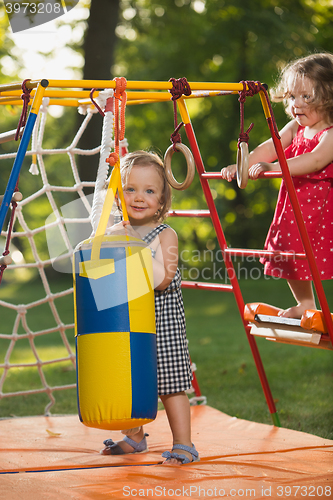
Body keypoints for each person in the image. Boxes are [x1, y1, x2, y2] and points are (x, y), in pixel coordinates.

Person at [100, 150, 199, 465]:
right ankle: (136, 436)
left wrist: (136, 247)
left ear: (163, 199)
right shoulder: (114, 233)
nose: (138, 197)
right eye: (130, 189)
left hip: (162, 326)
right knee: (126, 380)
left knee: (170, 385)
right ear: (118, 195)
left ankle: (184, 444)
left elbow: (162, 281)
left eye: (149, 190)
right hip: (126, 322)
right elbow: (102, 279)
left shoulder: (164, 235)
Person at [221, 52, 333, 318]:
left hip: (320, 208)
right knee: (287, 248)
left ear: (328, 97)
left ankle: (311, 305)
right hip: (293, 207)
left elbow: (316, 160)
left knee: (311, 253)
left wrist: (276, 168)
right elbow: (271, 147)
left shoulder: (330, 133)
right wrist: (243, 165)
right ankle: (306, 304)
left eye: (307, 97)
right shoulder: (295, 127)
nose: (297, 104)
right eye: (293, 97)